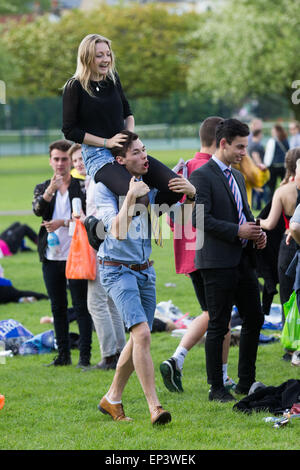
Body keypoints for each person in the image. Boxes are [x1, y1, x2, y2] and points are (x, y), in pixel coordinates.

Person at [95, 130, 196, 424]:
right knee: (142, 334)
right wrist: (129, 198)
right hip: (116, 269)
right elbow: (115, 230)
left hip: (145, 271)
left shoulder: (150, 184)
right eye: (137, 152)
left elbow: (184, 220)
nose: (145, 157)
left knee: (137, 339)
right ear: (120, 159)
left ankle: (112, 398)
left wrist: (191, 194)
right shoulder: (102, 188)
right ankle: (155, 407)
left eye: (145, 150)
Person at [190, 118, 266, 403]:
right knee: (219, 324)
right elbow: (200, 219)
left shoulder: (236, 176)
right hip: (216, 262)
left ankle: (245, 381)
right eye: (239, 147)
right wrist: (238, 231)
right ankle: (216, 388)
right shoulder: (202, 175)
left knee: (255, 318)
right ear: (223, 144)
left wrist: (257, 232)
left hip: (242, 261)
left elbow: (244, 213)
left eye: (245, 146)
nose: (244, 152)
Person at [160, 116, 236, 393]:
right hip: (211, 253)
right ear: (221, 140)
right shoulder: (213, 171)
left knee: (217, 315)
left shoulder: (182, 170)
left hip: (187, 253)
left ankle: (205, 369)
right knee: (218, 315)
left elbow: (170, 220)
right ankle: (180, 359)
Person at [62, 33, 182, 207]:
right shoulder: (74, 87)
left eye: (108, 54)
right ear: (87, 58)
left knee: (176, 187)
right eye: (99, 55)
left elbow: (128, 113)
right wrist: (107, 142)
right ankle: (126, 221)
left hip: (124, 149)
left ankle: (147, 212)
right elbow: (70, 131)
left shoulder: (112, 79)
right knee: (139, 197)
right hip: (97, 156)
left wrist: (130, 139)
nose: (106, 59)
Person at [32, 139, 93, 368]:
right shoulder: (43, 187)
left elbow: (88, 218)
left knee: (80, 307)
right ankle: (63, 355)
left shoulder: (83, 186)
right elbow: (38, 210)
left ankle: (84, 358)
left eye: (64, 159)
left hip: (76, 255)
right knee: (57, 307)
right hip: (51, 256)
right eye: (56, 159)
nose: (60, 164)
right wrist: (50, 190)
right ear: (50, 161)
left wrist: (63, 223)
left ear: (72, 162)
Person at [68, 142, 126, 370]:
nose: (78, 164)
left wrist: (81, 219)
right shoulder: (97, 179)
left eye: (81, 159)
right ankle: (119, 351)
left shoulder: (97, 181)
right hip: (106, 245)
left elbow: (98, 219)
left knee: (97, 303)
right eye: (75, 162)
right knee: (109, 301)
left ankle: (109, 355)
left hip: (98, 246)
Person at [259, 148, 300, 326]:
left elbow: (269, 224)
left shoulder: (282, 191)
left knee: (286, 296)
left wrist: (252, 220)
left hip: (288, 245)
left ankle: (289, 345)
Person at [264, 123, 290, 200]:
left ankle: (271, 203)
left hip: (273, 167)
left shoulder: (272, 140)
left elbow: (269, 154)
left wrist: (266, 164)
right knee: (284, 186)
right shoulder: (285, 140)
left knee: (271, 188)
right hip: (283, 166)